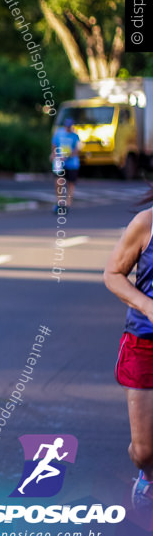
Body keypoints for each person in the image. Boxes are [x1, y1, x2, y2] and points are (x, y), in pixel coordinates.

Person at [103, 195, 153, 515]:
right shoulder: (146, 223)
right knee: (146, 451)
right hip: (144, 343)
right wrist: (147, 305)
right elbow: (112, 274)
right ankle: (147, 474)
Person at [51, 118, 80, 214]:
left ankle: (68, 204)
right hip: (60, 162)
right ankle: (59, 202)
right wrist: (54, 155)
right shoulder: (58, 133)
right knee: (58, 181)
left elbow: (77, 149)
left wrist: (68, 155)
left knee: (70, 184)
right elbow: (54, 145)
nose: (68, 128)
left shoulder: (75, 136)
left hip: (72, 164)